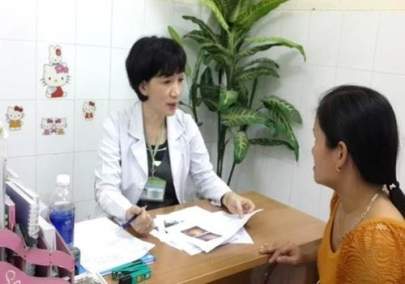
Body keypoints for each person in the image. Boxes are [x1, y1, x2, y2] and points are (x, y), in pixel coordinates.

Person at [95, 36, 255, 236]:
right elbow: (106, 189)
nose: (177, 91)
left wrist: (227, 196)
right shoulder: (116, 125)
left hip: (174, 227)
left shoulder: (185, 123)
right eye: (167, 81)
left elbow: (204, 175)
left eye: (180, 79)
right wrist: (128, 212)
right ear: (143, 87)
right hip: (130, 229)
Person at [259, 85, 405, 283]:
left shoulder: (378, 240)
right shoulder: (344, 201)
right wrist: (305, 254)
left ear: (340, 154)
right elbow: (342, 257)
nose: (312, 150)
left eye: (316, 139)